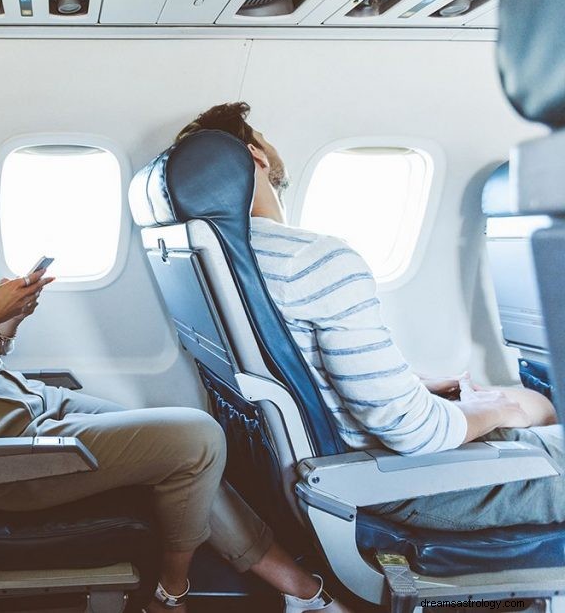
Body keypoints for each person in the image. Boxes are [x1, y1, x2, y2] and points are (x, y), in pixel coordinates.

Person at [0, 124, 352, 613]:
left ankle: (301, 594)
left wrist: (6, 323)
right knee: (198, 436)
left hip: (22, 403)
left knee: (180, 442)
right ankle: (172, 594)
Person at [178, 101, 562, 532]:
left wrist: (410, 385)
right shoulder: (313, 258)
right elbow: (414, 434)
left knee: (539, 407)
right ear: (256, 156)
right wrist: (492, 412)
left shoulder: (209, 261)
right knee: (532, 408)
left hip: (346, 461)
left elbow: (307, 373)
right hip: (391, 480)